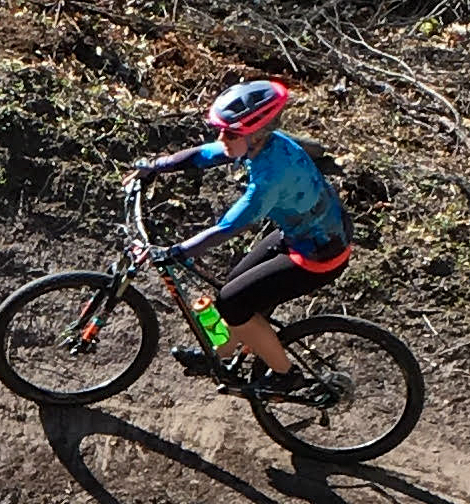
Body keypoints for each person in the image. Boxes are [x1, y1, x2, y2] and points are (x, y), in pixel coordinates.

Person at [131, 78, 352, 392]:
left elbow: (228, 228)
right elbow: (206, 155)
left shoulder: (270, 177)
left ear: (255, 134)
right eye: (221, 129)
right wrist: (155, 166)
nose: (222, 137)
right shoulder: (265, 141)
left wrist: (176, 251)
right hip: (306, 236)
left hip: (318, 257)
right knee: (234, 285)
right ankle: (219, 356)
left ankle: (285, 376)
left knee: (232, 302)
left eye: (230, 132)